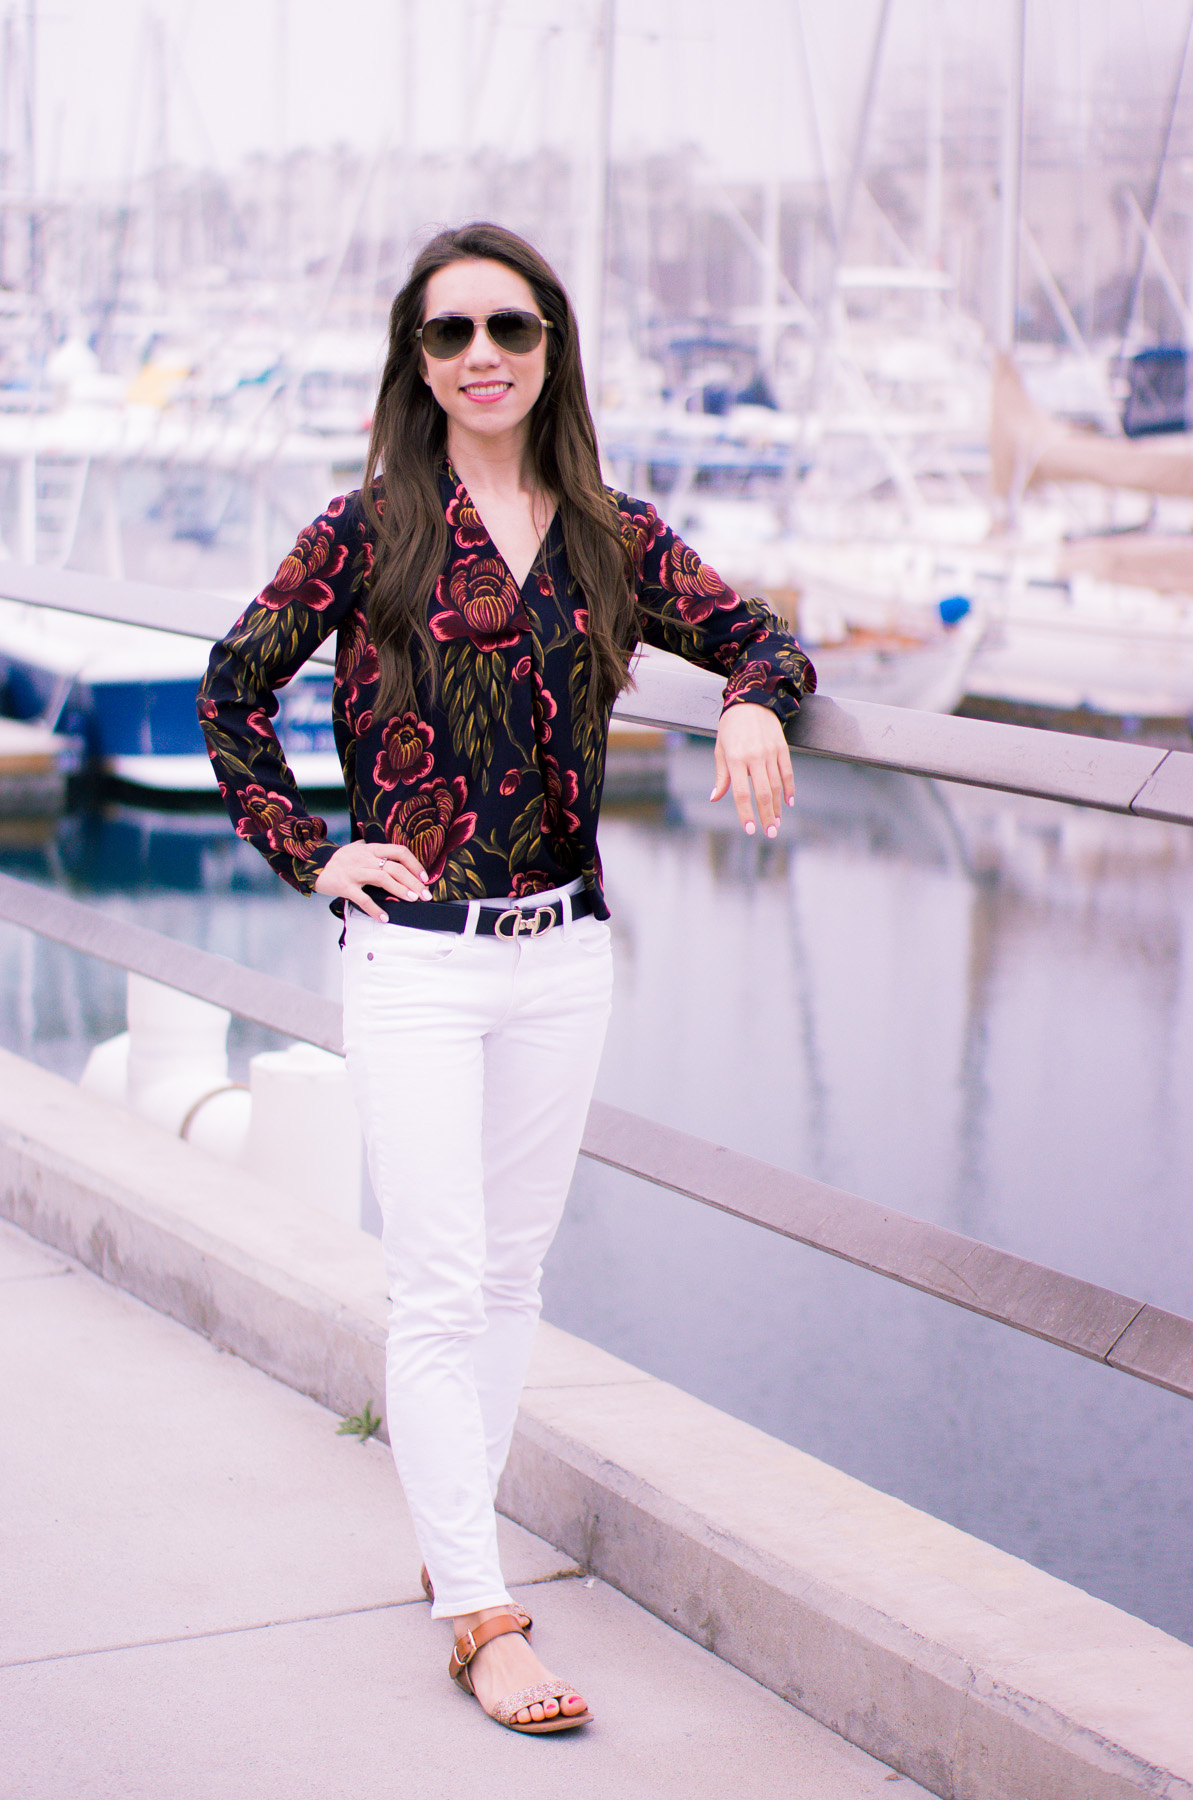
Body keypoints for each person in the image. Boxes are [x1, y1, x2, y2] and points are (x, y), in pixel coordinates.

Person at [198, 222, 816, 1736]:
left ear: (553, 352)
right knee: (438, 1278)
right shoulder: (366, 530)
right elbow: (232, 683)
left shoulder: (613, 532)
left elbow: (763, 636)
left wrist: (748, 702)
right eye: (452, 332)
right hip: (413, 959)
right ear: (418, 360)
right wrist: (312, 851)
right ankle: (480, 1612)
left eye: (512, 330)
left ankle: (449, 1547)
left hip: (564, 956)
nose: (484, 355)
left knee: (514, 1276)